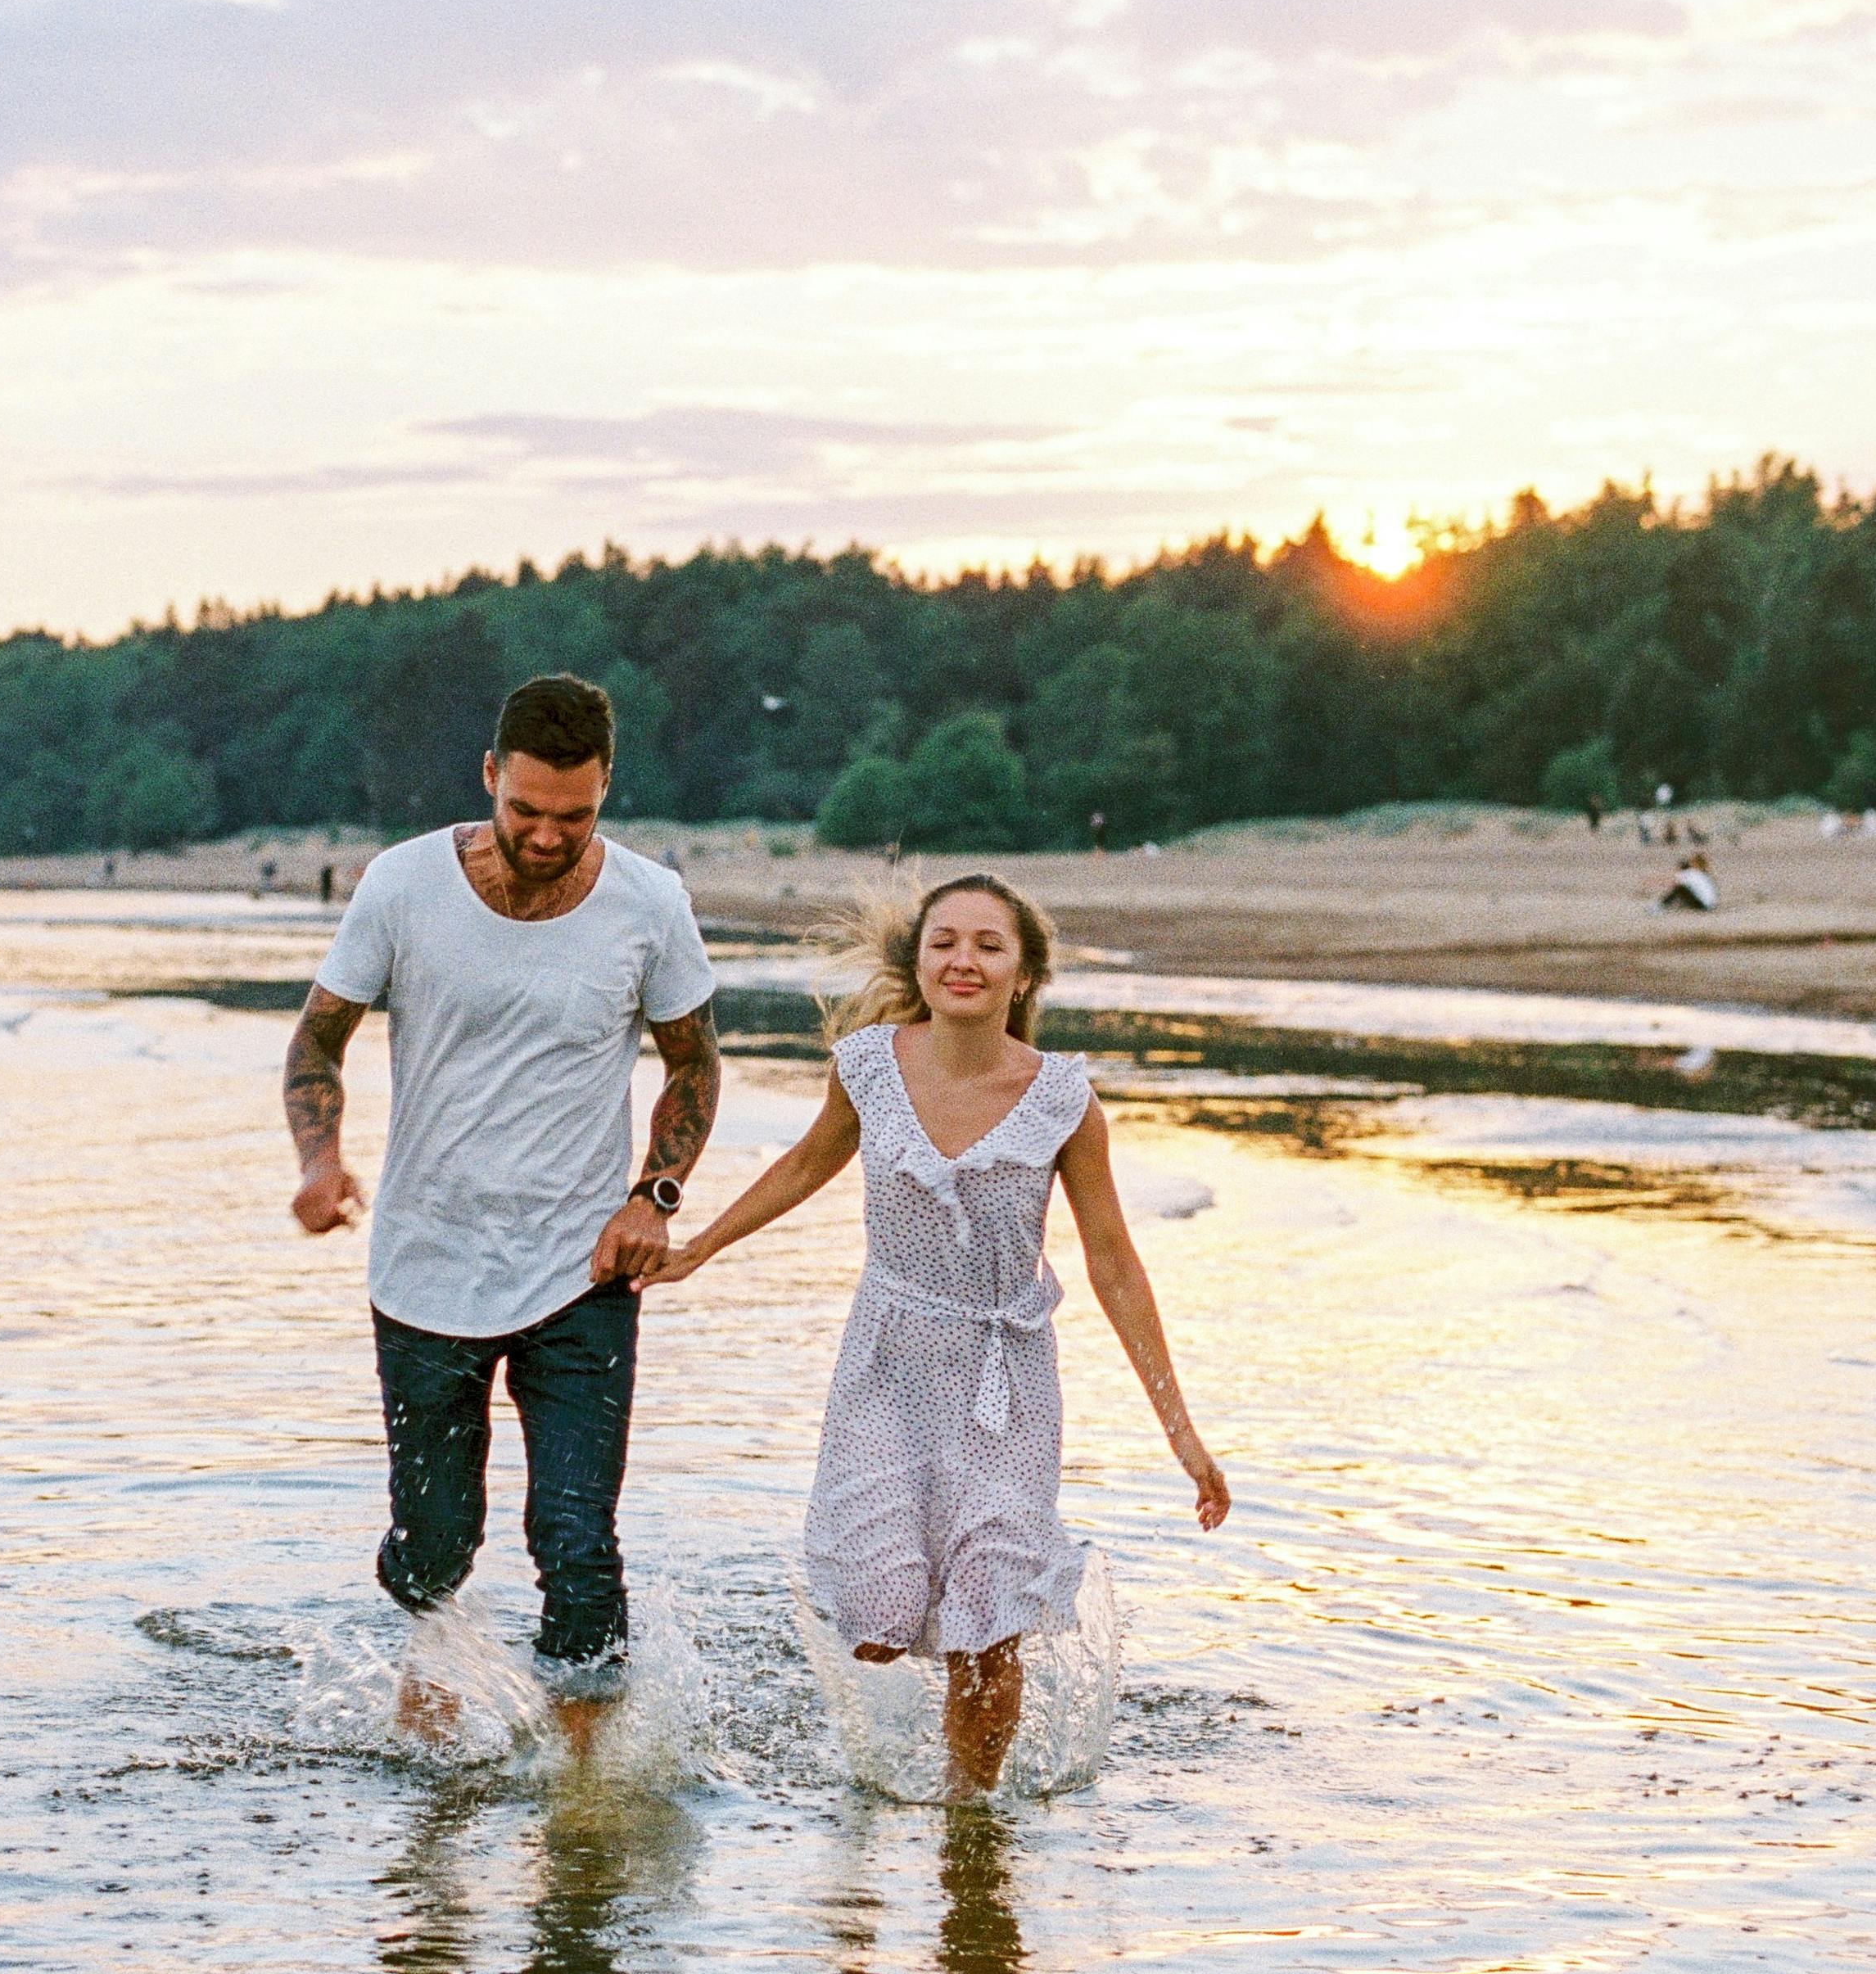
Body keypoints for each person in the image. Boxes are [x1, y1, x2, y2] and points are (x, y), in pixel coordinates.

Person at [642, 875, 1227, 1791]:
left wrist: (1181, 1434)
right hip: (888, 1363)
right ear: (918, 959)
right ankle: (881, 1776)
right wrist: (700, 1247)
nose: (964, 960)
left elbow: (1114, 1261)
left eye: (989, 945)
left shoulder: (1064, 1100)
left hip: (1005, 1384)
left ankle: (970, 1822)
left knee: (987, 1625)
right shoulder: (868, 1066)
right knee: (877, 1626)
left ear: (1024, 973)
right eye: (945, 941)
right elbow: (804, 1165)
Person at [283, 672, 720, 1748]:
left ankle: (581, 1790)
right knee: (433, 1543)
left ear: (605, 788)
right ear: (489, 776)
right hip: (423, 1264)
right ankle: (435, 1648)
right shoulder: (399, 885)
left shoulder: (649, 904)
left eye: (571, 815)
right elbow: (316, 1042)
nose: (543, 833)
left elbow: (694, 1069)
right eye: (523, 809)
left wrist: (653, 1198)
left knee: (577, 1542)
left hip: (582, 1271)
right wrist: (319, 1157)